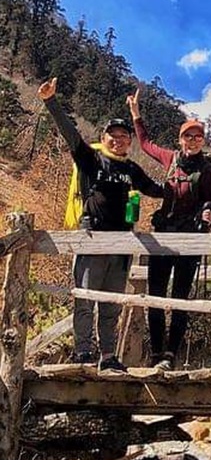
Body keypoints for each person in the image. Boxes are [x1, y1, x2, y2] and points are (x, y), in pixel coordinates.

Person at [38, 77, 163, 370]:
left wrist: (191, 188)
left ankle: (108, 355)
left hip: (121, 249)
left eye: (123, 135)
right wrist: (50, 101)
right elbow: (71, 135)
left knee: (110, 305)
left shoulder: (132, 168)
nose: (117, 139)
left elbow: (156, 190)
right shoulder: (91, 159)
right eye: (112, 135)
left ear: (130, 141)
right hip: (93, 240)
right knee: (85, 300)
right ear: (103, 136)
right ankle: (83, 352)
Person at [127, 87, 211, 368]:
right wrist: (136, 115)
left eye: (197, 136)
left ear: (202, 141)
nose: (192, 140)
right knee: (155, 295)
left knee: (180, 297)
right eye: (187, 136)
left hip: (190, 237)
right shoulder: (170, 159)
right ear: (180, 139)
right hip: (164, 235)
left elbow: (210, 200)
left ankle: (171, 354)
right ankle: (157, 352)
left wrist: (208, 213)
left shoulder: (208, 168)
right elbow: (145, 144)